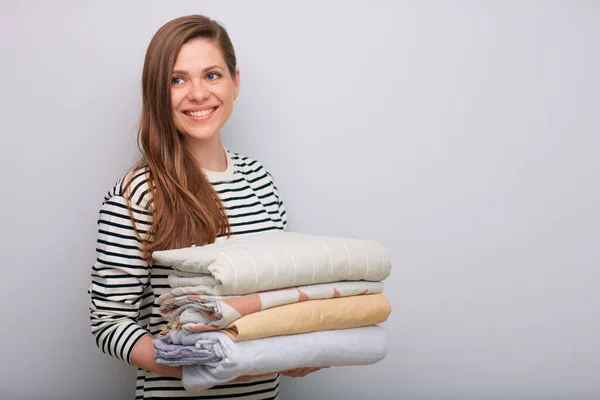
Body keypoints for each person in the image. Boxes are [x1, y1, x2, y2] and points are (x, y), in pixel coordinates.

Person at [89, 15, 320, 399]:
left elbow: (277, 298)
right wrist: (206, 368)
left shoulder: (259, 180)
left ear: (235, 83)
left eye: (212, 75)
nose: (197, 93)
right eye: (177, 80)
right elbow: (109, 323)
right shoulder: (137, 193)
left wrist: (293, 350)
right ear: (157, 93)